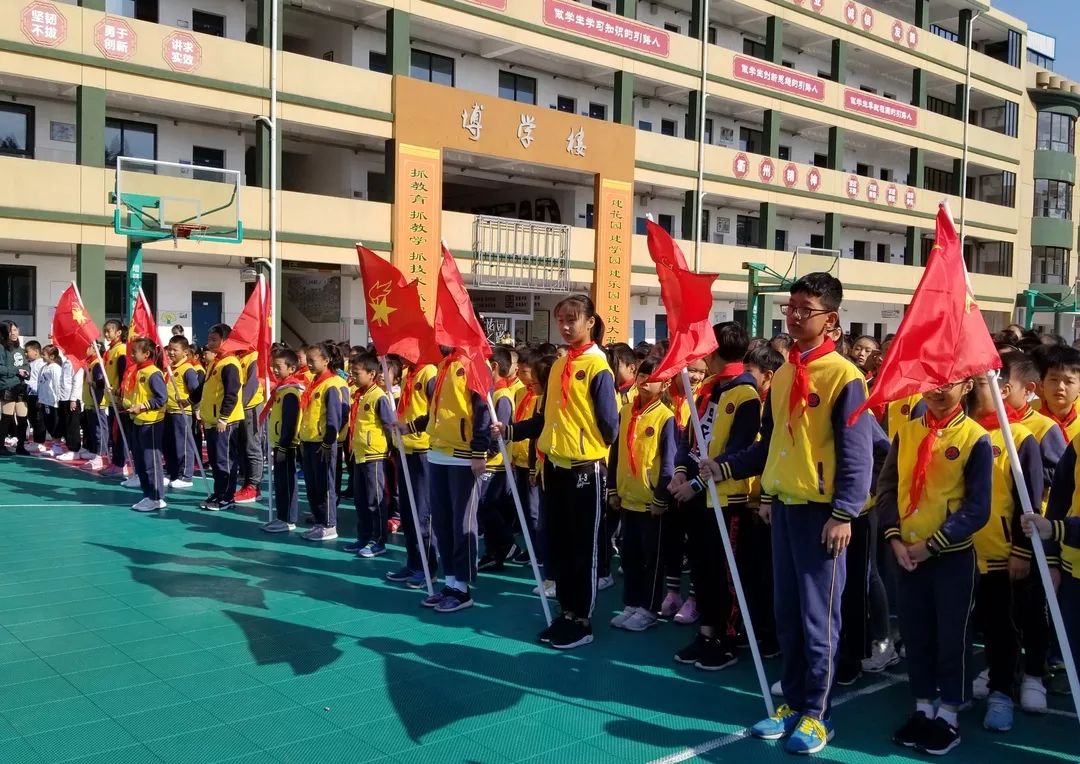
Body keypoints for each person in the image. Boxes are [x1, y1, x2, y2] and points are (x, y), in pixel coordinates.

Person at [700, 274, 874, 755]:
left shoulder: (845, 377)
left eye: (806, 309)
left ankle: (819, 714)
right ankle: (794, 702)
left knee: (821, 618)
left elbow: (858, 454)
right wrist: (725, 465)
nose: (794, 315)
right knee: (789, 614)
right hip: (784, 511)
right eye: (790, 306)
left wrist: (843, 513)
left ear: (831, 320)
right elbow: (769, 443)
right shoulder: (782, 375)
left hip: (824, 516)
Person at [877, 377, 991, 756]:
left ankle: (950, 712)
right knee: (917, 633)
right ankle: (923, 706)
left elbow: (978, 508)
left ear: (968, 385)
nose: (938, 390)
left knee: (952, 638)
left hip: (951, 558)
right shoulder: (907, 432)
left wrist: (934, 545)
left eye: (949, 383)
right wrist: (895, 539)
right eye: (932, 381)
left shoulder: (976, 437)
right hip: (907, 555)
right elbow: (888, 488)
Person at [501, 295, 618, 648]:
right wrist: (510, 431)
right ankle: (566, 612)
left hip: (585, 469)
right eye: (561, 319)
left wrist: (583, 444)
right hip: (555, 468)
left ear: (591, 322)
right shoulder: (557, 366)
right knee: (562, 546)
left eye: (573, 319)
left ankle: (582, 620)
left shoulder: (598, 367)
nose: (565, 326)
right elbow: (544, 420)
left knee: (584, 548)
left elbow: (610, 424)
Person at [669, 322, 761, 670]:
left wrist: (694, 485)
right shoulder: (709, 388)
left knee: (726, 574)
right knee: (703, 569)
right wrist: (681, 473)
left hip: (726, 499)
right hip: (697, 498)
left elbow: (738, 452)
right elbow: (689, 440)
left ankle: (726, 638)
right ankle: (706, 632)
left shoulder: (745, 394)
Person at [966, 372, 1042, 732]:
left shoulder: (1020, 439)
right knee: (959, 627)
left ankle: (1001, 692)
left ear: (1003, 389)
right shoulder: (960, 431)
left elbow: (1028, 505)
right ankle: (955, 689)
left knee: (1001, 629)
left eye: (979, 382)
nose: (970, 388)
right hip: (956, 552)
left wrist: (1022, 551)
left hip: (1000, 555)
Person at [995, 352, 1060, 714]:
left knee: (1031, 607)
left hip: (1033, 536)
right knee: (998, 611)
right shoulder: (983, 423)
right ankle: (999, 669)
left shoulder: (1041, 429)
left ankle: (1035, 673)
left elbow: (1058, 480)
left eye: (1003, 385)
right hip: (989, 539)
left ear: (1027, 389)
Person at [405, 345, 492, 614]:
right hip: (437, 452)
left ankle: (463, 589)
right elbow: (437, 411)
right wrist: (408, 426)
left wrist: (479, 451)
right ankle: (450, 582)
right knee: (442, 523)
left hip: (463, 455)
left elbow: (483, 410)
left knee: (461, 523)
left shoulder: (476, 364)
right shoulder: (443, 365)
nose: (439, 338)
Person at [608, 358, 675, 632]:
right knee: (630, 555)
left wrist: (661, 498)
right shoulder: (625, 411)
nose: (646, 381)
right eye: (643, 375)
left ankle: (649, 608)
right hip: (627, 497)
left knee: (652, 558)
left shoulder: (665, 417)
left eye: (654, 377)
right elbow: (616, 453)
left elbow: (668, 462)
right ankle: (631, 603)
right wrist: (613, 488)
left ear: (666, 383)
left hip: (651, 503)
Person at [384, 355, 439, 590]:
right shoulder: (409, 373)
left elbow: (435, 411)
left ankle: (428, 568)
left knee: (422, 512)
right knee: (407, 512)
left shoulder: (429, 373)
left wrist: (413, 429)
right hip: (405, 449)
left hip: (422, 450)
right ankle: (413, 563)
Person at [345, 353, 395, 558]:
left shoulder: (378, 397)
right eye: (351, 373)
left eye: (357, 373)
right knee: (361, 500)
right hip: (359, 454)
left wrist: (390, 450)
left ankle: (379, 540)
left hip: (374, 456)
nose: (353, 377)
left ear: (372, 373)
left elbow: (388, 425)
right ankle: (363, 537)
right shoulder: (359, 394)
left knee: (376, 501)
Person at [298, 342, 347, 541]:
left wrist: (328, 442)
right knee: (312, 485)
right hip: (309, 440)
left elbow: (336, 417)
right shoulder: (315, 382)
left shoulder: (332, 384)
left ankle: (329, 524)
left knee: (325, 485)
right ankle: (319, 521)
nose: (309, 364)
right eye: (307, 360)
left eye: (313, 360)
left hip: (322, 444)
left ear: (326, 361)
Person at [478, 346, 518, 572]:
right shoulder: (493, 392)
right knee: (487, 508)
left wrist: (487, 453)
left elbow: (498, 434)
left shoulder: (502, 396)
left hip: (496, 464)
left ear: (494, 367)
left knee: (486, 506)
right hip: (492, 462)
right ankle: (494, 552)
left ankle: (506, 544)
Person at [198, 323, 244, 512]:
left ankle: (227, 496)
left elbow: (231, 394)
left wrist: (224, 417)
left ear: (226, 341)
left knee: (225, 460)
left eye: (214, 340)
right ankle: (219, 492)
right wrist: (190, 401)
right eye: (209, 339)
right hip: (212, 420)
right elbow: (205, 386)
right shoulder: (215, 361)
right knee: (216, 461)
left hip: (225, 421)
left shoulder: (230, 363)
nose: (210, 343)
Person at [122, 337, 168, 512]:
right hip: (138, 421)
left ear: (146, 353)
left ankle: (156, 497)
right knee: (140, 461)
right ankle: (147, 494)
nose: (132, 355)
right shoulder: (138, 371)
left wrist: (142, 406)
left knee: (151, 462)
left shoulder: (152, 373)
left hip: (152, 423)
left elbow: (161, 398)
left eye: (135, 352)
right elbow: (136, 395)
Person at [261, 348, 305, 533]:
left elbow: (290, 422)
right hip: (279, 443)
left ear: (292, 368)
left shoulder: (290, 392)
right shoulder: (281, 390)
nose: (274, 370)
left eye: (278, 367)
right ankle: (281, 516)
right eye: (273, 367)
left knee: (286, 482)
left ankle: (288, 519)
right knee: (280, 482)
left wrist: (283, 447)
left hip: (285, 445)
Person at [164, 336, 200, 489]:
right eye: (169, 349)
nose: (171, 352)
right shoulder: (171, 368)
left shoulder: (187, 369)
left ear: (185, 352)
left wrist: (195, 407)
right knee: (170, 445)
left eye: (175, 350)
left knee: (183, 445)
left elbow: (195, 390)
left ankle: (185, 476)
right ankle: (172, 473)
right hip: (169, 411)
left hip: (181, 413)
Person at [234, 350, 265, 505]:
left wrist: (240, 404)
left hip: (250, 406)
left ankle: (254, 486)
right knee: (242, 448)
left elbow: (252, 383)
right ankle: (246, 484)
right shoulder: (237, 357)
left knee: (252, 447)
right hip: (240, 408)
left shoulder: (253, 356)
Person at [1032, 344, 1080, 443]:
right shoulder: (1028, 418)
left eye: (1069, 382)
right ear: (1041, 383)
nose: (1060, 387)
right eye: (1054, 380)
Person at [100, 320, 129, 477]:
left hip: (118, 400)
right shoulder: (110, 350)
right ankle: (115, 462)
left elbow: (124, 375)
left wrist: (119, 393)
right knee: (114, 433)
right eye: (105, 331)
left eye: (109, 331)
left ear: (118, 332)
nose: (106, 334)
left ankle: (120, 465)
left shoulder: (121, 350)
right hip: (111, 399)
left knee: (119, 433)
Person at [0, 321, 29, 454]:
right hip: (7, 385)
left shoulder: (20, 348)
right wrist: (17, 371)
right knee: (7, 417)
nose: (14, 333)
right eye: (11, 331)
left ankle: (21, 446)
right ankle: (1, 446)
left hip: (21, 386)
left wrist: (27, 371)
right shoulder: (1, 348)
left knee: (23, 418)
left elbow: (26, 364)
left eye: (16, 330)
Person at [81, 346, 108, 471]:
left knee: (99, 430)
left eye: (86, 347)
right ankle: (96, 452)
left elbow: (101, 383)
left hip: (98, 403)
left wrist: (95, 384)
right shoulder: (90, 363)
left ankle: (102, 455)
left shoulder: (97, 363)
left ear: (93, 348)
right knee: (93, 430)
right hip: (90, 403)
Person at [56, 350, 84, 461]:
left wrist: (73, 399)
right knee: (66, 424)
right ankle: (70, 448)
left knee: (72, 425)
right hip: (64, 397)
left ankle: (74, 450)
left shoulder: (75, 363)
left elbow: (77, 381)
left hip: (71, 398)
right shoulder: (66, 362)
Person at [37, 345, 62, 454]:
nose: (42, 356)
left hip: (53, 401)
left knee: (54, 423)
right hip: (44, 400)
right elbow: (40, 383)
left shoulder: (56, 368)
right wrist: (39, 397)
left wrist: (58, 399)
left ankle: (57, 445)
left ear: (52, 356)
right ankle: (54, 444)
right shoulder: (43, 367)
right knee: (47, 422)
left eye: (44, 354)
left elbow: (57, 384)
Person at [23, 340, 45, 454]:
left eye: (27, 352)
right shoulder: (30, 363)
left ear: (36, 352)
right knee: (32, 418)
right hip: (30, 394)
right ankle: (35, 441)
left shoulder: (40, 364)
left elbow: (39, 381)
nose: (26, 354)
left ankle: (40, 442)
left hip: (37, 394)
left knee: (38, 420)